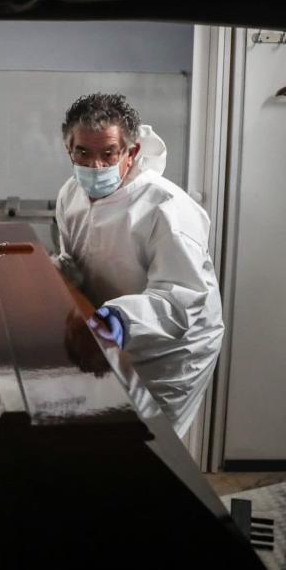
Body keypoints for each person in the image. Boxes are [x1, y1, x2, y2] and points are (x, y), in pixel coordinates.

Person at [54, 93, 224, 438]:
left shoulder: (167, 207)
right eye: (82, 152)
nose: (95, 166)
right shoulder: (70, 194)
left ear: (130, 153)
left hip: (170, 351)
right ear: (67, 147)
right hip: (108, 334)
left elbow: (181, 300)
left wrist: (120, 317)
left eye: (108, 153)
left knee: (153, 445)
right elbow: (77, 259)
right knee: (111, 433)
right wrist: (59, 273)